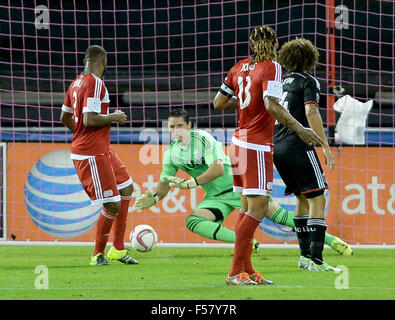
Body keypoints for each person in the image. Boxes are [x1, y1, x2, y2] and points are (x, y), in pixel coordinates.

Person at [134, 109, 353, 257]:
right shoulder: (171, 153)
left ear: (189, 125)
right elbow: (165, 183)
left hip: (240, 187)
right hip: (217, 198)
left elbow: (218, 168)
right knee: (193, 221)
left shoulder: (203, 139)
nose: (175, 131)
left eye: (179, 126)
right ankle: (245, 241)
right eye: (171, 127)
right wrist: (153, 198)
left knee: (283, 218)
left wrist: (191, 183)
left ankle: (332, 240)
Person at [213, 25, 325, 285]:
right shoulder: (272, 66)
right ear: (275, 44)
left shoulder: (238, 66)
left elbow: (219, 102)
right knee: (259, 208)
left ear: (251, 45)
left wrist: (246, 102)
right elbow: (271, 105)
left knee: (246, 207)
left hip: (238, 141)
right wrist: (301, 129)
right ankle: (234, 272)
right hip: (256, 144)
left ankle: (248, 271)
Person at [60, 45, 138, 266]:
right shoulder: (94, 82)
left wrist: (80, 134)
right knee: (112, 204)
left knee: (126, 188)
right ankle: (98, 254)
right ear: (103, 62)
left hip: (101, 149)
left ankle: (119, 249)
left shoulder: (76, 82)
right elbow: (89, 119)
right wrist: (115, 115)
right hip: (91, 153)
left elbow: (65, 117)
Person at [275, 38, 342, 271]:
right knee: (317, 198)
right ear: (311, 59)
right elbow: (311, 110)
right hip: (298, 144)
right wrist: (324, 145)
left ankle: (304, 258)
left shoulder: (279, 81)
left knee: (302, 199)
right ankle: (316, 259)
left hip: (277, 147)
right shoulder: (308, 81)